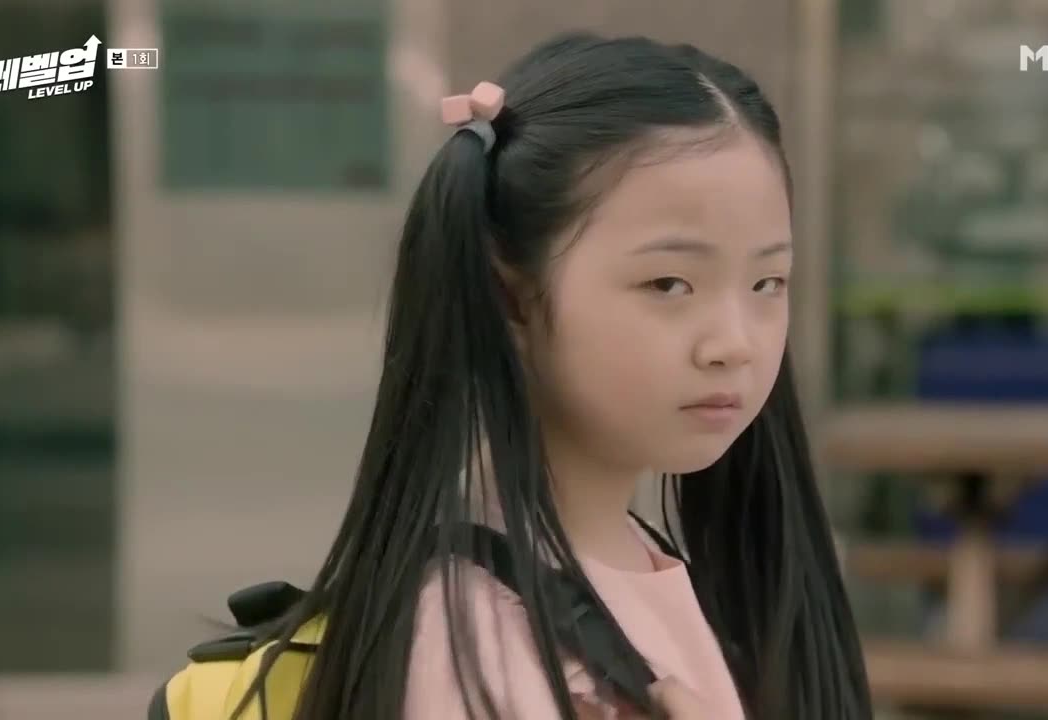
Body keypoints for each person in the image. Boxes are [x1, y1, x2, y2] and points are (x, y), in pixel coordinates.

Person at [236, 31, 870, 720]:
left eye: (767, 282)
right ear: (511, 297)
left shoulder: (634, 556)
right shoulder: (474, 638)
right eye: (668, 283)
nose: (735, 344)